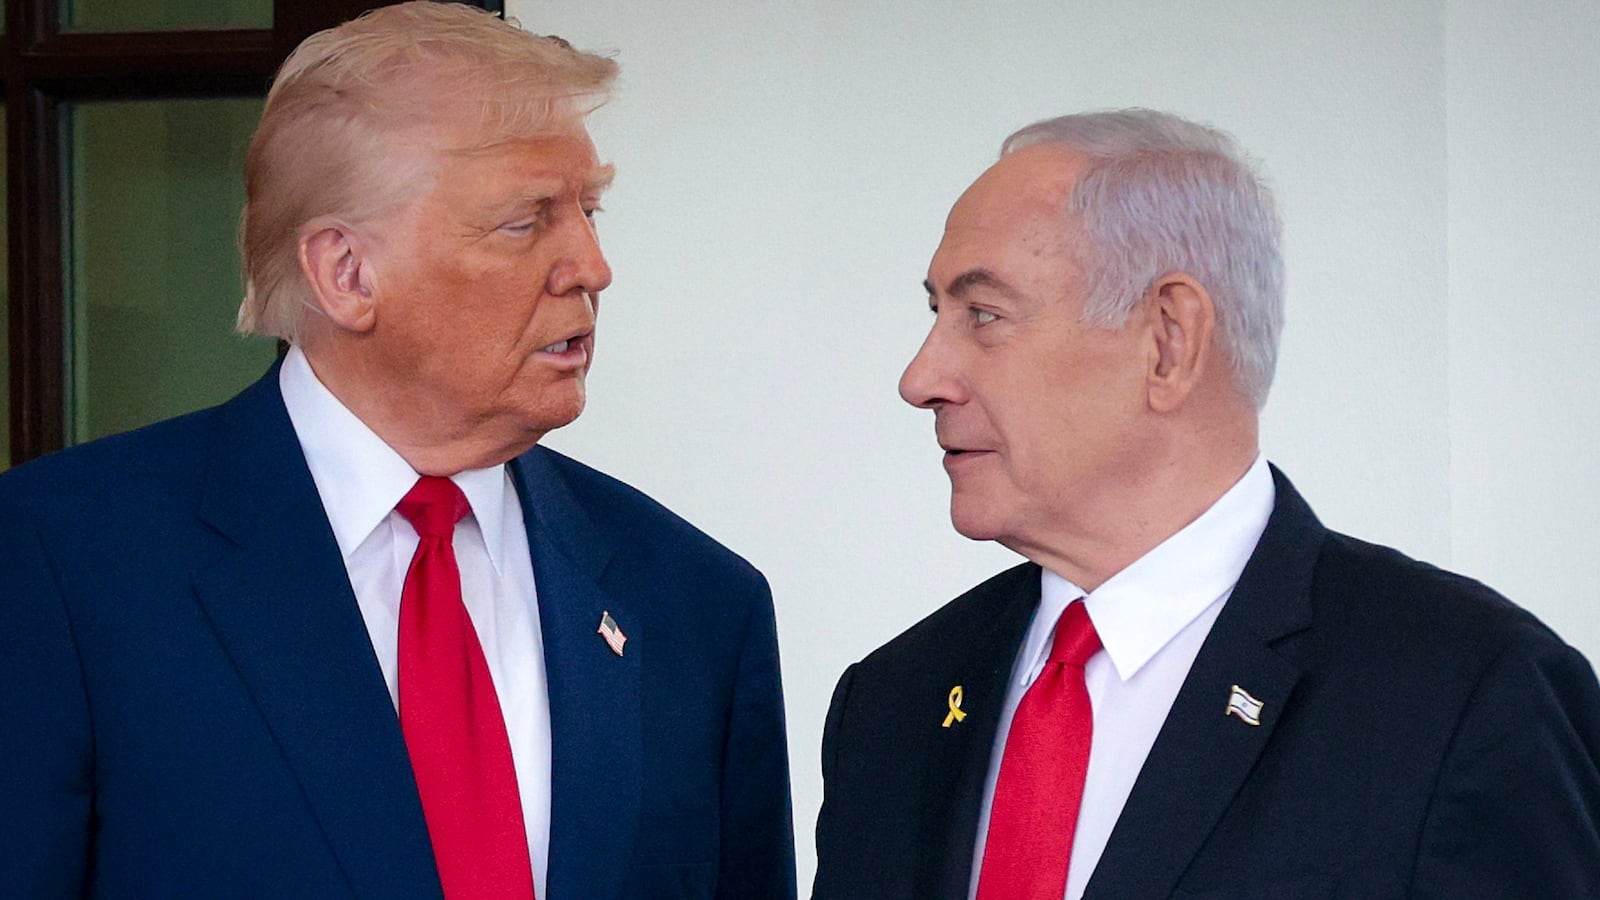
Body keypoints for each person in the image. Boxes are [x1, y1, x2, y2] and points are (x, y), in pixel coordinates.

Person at [0, 4, 795, 898]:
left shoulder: (695, 602)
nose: (591, 265)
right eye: (526, 221)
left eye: (589, 210)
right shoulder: (60, 562)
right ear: (346, 273)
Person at [812, 109, 1600, 899]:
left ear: (1169, 340)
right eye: (937, 314)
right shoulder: (891, 706)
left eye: (983, 315)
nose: (921, 379)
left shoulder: (1464, 697)